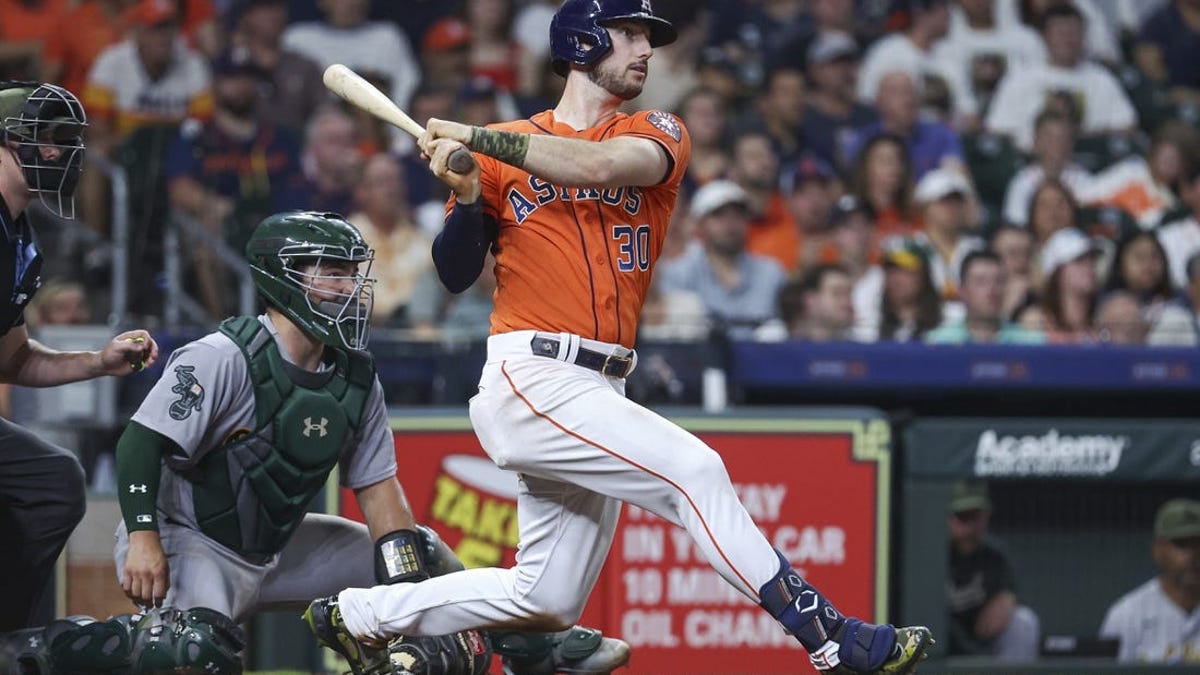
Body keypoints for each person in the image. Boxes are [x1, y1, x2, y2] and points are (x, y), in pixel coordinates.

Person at [308, 2, 934, 674]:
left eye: (648, 36)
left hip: (601, 381)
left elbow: (598, 168)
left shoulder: (657, 130)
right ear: (582, 41)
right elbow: (456, 272)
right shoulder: (496, 154)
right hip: (532, 373)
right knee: (696, 471)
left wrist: (478, 139)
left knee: (545, 597)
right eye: (630, 33)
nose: (646, 49)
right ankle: (830, 636)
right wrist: (465, 195)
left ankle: (355, 615)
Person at [112, 210, 627, 675]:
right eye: (331, 272)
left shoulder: (356, 377)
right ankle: (69, 647)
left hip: (276, 544)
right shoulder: (220, 356)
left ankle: (532, 647)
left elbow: (381, 492)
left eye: (352, 272)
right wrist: (142, 536)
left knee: (416, 555)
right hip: (189, 538)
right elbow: (140, 443)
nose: (348, 286)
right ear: (280, 277)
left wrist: (410, 603)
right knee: (200, 655)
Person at [0, 81, 160, 632]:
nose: (59, 152)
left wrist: (98, 361)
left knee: (51, 481)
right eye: (42, 139)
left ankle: (11, 638)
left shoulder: (22, 240)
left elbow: (13, 359)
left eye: (66, 140)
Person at [946, 480, 1040, 662]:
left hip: (987, 648)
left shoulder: (995, 556)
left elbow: (1008, 596)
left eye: (977, 516)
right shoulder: (931, 556)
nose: (971, 526)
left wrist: (1008, 598)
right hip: (944, 653)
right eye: (963, 517)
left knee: (1023, 621)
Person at [1100, 498, 1200, 663]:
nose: (1193, 554)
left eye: (1198, 543)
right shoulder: (1127, 615)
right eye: (1181, 544)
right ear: (1158, 550)